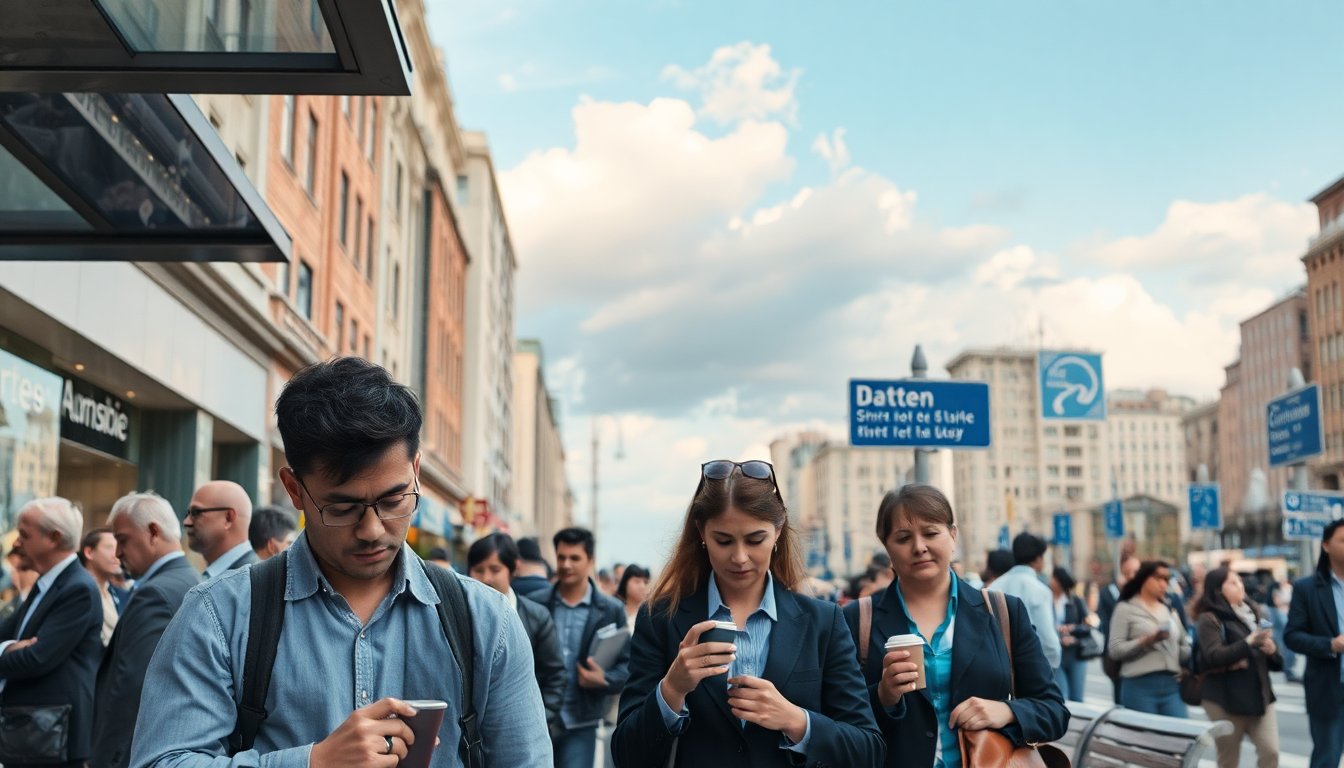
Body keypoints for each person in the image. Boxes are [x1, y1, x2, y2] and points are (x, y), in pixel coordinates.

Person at [129, 356, 551, 767]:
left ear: (416, 470)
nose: (371, 529)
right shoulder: (219, 615)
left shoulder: (486, 622)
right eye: (342, 507)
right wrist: (313, 763)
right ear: (294, 490)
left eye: (393, 500)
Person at [614, 459, 883, 767]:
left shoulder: (823, 621)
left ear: (778, 531)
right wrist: (672, 689)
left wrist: (796, 721)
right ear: (701, 532)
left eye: (755, 540)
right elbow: (625, 753)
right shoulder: (661, 617)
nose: (739, 557)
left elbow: (868, 750)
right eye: (723, 541)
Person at [842, 485, 1067, 768]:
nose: (919, 547)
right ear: (886, 545)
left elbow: (1054, 712)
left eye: (931, 533)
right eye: (903, 537)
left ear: (953, 535)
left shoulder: (1003, 611)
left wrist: (1006, 711)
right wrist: (883, 696)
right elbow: (838, 721)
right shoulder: (857, 620)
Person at [93, 491, 201, 768]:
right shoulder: (189, 579)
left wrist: (107, 758)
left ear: (153, 532)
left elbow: (133, 690)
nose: (117, 553)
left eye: (122, 539)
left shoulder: (155, 593)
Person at [1, 497, 102, 768]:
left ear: (54, 538)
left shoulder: (77, 588)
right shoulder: (48, 583)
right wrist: (9, 647)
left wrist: (17, 650)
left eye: (24, 534)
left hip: (52, 739)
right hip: (35, 734)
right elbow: (8, 633)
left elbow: (36, 658)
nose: (16, 543)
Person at [541, 527, 630, 767]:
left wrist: (604, 679)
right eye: (561, 557)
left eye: (575, 558)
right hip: (541, 718)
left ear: (590, 560)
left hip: (582, 722)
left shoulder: (611, 610)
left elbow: (628, 666)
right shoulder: (537, 604)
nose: (566, 564)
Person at [466, 532, 566, 734]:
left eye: (495, 569)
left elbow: (554, 676)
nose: (486, 578)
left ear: (514, 568)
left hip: (520, 732)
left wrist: (536, 723)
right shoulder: (456, 614)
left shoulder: (536, 616)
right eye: (478, 570)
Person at [1192, 567, 1282, 768]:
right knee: (1229, 761)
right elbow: (1213, 656)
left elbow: (1277, 663)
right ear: (1217, 590)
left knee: (1271, 752)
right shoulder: (1209, 618)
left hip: (1260, 697)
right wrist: (1248, 642)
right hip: (1224, 699)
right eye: (1233, 583)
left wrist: (1272, 651)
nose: (1240, 586)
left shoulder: (1254, 613)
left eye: (1240, 581)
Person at [1285, 518, 1344, 768]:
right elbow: (1292, 636)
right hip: (1329, 688)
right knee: (1327, 758)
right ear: (1326, 546)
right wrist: (1330, 645)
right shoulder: (1307, 588)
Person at [1107, 559, 1189, 717]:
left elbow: (1184, 647)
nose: (1163, 584)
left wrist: (1186, 654)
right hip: (1139, 684)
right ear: (1143, 578)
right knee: (1145, 738)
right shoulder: (1125, 608)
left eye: (1166, 579)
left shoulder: (1169, 610)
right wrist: (1147, 641)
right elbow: (1115, 650)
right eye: (1158, 578)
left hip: (1171, 684)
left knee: (1179, 737)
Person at [989, 532, 1063, 671]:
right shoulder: (1040, 590)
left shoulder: (994, 587)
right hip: (1032, 666)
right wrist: (1053, 662)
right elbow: (1048, 639)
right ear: (1038, 559)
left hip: (998, 665)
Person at [184, 479, 258, 578]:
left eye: (196, 513)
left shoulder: (251, 581)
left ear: (228, 518)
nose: (186, 522)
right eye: (188, 513)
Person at [1099, 555, 1140, 703]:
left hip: (1141, 658)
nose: (1132, 577)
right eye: (1127, 572)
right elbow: (1105, 623)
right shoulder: (1109, 592)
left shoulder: (1146, 594)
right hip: (1117, 654)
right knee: (1120, 697)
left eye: (1136, 572)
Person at [1051, 566, 1092, 703]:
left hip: (1075, 653)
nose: (1051, 581)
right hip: (1056, 652)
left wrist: (1072, 629)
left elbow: (1087, 626)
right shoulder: (1045, 599)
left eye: (1054, 578)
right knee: (1061, 696)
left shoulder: (1075, 601)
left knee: (1077, 697)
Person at [79, 527, 125, 645]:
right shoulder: (78, 593)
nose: (117, 554)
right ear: (89, 552)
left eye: (118, 547)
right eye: (109, 548)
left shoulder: (118, 594)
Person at [1272, 577, 1300, 682]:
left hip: (1290, 615)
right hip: (1282, 615)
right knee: (1286, 643)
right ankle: (1288, 668)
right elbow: (1277, 602)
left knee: (1289, 644)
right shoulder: (1277, 590)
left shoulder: (1291, 589)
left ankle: (1289, 667)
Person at [617, 564, 651, 631]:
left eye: (645, 582)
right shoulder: (616, 612)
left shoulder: (648, 615)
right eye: (637, 581)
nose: (642, 586)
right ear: (625, 583)